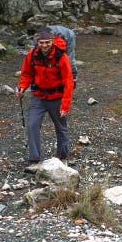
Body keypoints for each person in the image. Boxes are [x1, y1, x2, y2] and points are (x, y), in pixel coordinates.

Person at [16, 27, 75, 166]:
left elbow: (68, 81)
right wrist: (22, 87)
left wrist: (65, 105)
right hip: (39, 97)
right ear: (37, 42)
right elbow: (27, 74)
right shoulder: (31, 55)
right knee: (32, 125)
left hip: (57, 97)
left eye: (47, 42)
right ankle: (34, 159)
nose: (44, 45)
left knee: (61, 127)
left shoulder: (61, 57)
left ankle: (62, 157)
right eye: (41, 42)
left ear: (52, 41)